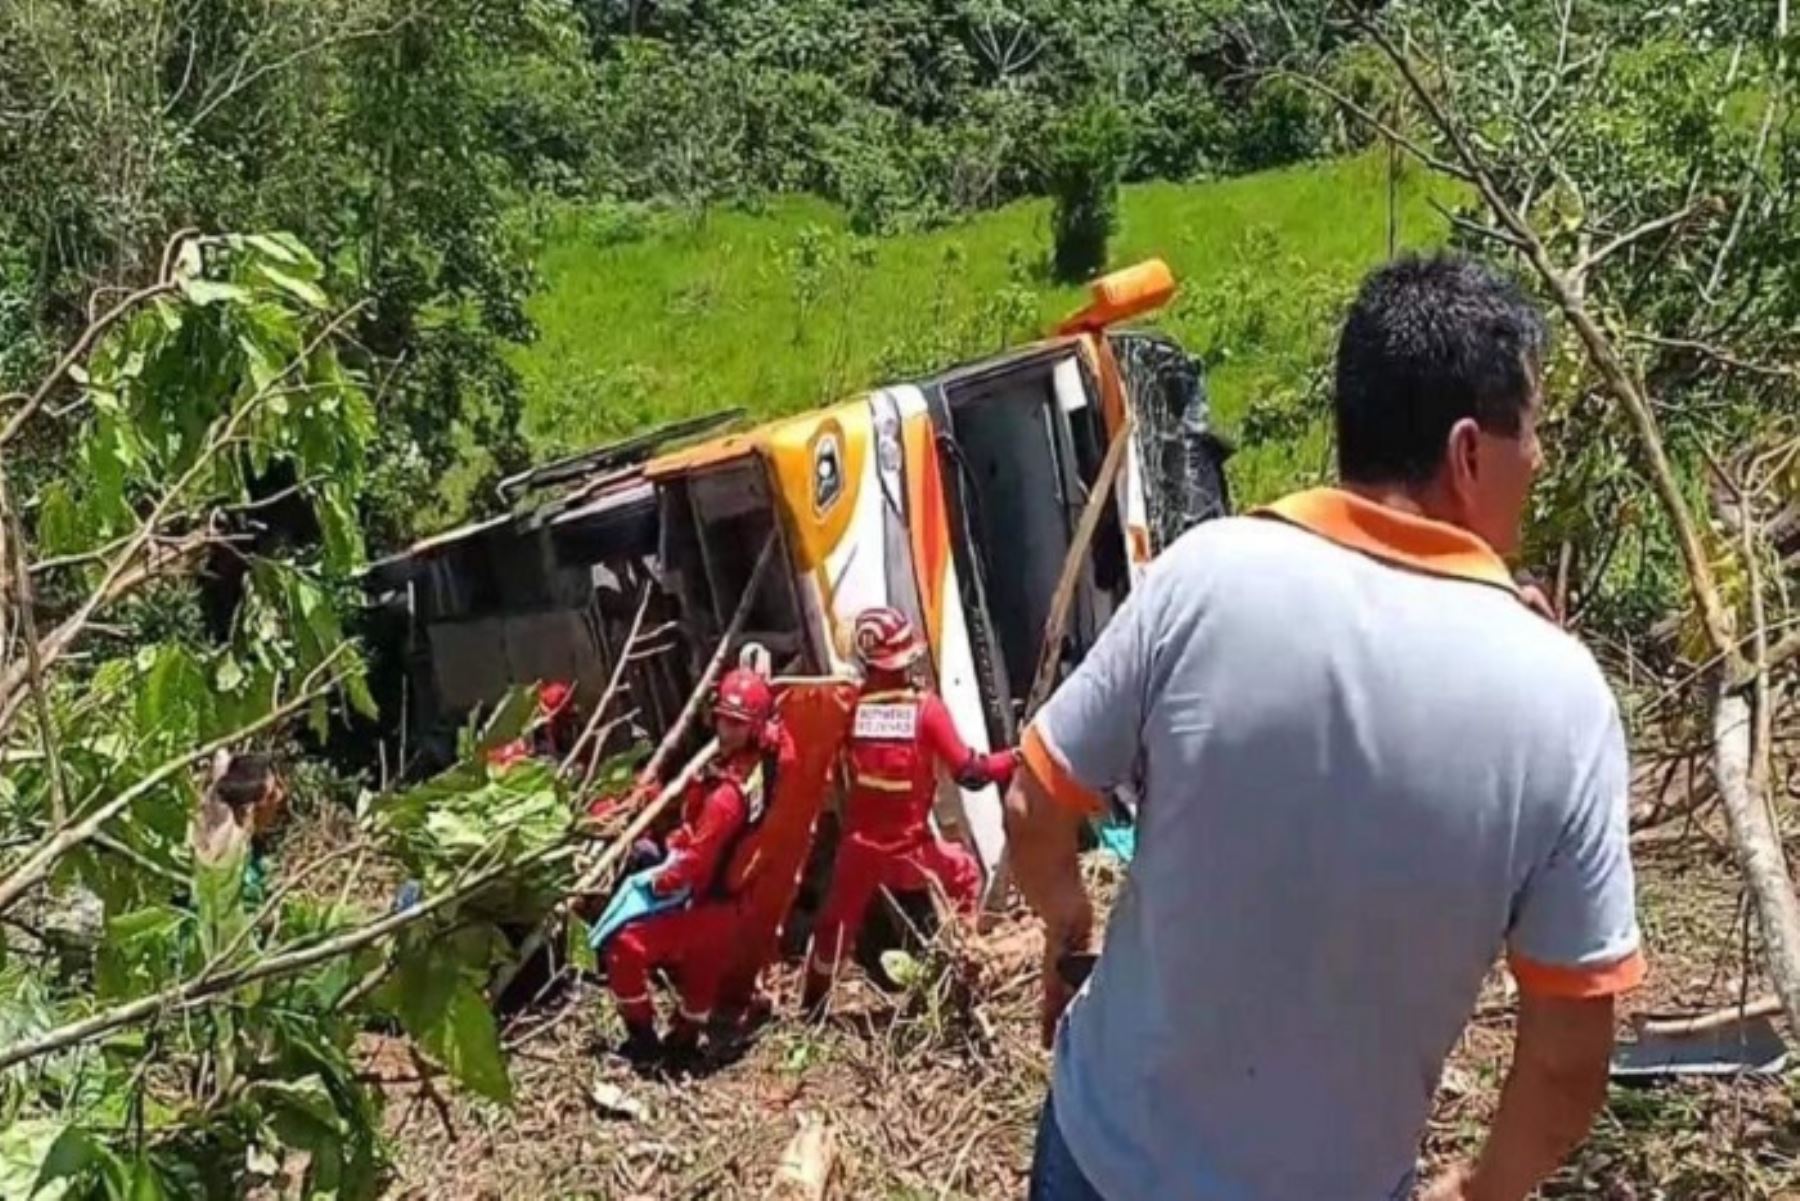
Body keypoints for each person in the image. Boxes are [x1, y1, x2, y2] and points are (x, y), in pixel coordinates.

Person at [1005, 253, 1643, 1201]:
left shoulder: (1204, 577)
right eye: (1535, 430)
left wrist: (1069, 929)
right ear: (1469, 453)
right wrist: (1479, 1188)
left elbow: (1032, 806)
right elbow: (1566, 1057)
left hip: (1102, 1160)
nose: (1541, 459)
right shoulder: (1562, 700)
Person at [802, 606, 1018, 1006]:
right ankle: (965, 969)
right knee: (964, 875)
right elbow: (971, 773)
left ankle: (812, 1004)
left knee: (834, 926)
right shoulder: (926, 710)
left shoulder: (848, 708)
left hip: (859, 850)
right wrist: (1017, 758)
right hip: (909, 851)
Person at [603, 666, 791, 1059]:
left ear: (755, 727)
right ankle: (686, 1040)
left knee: (623, 946)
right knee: (703, 970)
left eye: (737, 724)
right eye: (723, 719)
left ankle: (642, 1040)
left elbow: (693, 862)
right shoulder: (766, 764)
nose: (726, 731)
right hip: (732, 898)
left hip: (705, 897)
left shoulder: (726, 799)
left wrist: (655, 882)